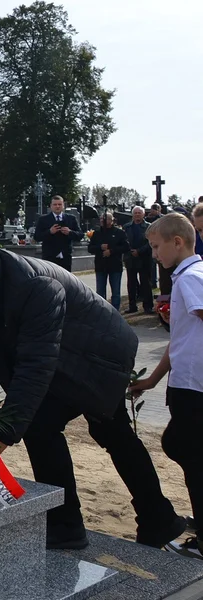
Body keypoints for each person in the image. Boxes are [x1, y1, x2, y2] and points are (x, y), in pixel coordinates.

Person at [0, 231, 184, 550]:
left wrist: (4, 431)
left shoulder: (36, 285)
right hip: (58, 355)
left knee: (111, 432)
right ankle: (65, 523)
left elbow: (35, 364)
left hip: (97, 357)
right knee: (40, 429)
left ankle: (157, 520)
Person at [130, 214, 203, 559]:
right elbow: (182, 341)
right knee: (185, 449)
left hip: (195, 387)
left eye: (157, 246)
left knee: (186, 449)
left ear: (178, 242)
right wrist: (152, 380)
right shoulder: (189, 278)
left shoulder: (190, 278)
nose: (154, 254)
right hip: (186, 384)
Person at [88, 212, 130, 309]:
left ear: (112, 221)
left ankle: (115, 311)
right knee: (100, 291)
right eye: (102, 219)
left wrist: (111, 251)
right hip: (100, 266)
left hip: (115, 266)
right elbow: (90, 249)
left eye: (106, 219)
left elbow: (126, 247)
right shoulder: (97, 233)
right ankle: (102, 310)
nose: (103, 221)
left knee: (115, 292)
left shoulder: (119, 233)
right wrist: (100, 247)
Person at [34, 195, 83, 271]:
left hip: (65, 258)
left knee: (66, 281)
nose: (57, 206)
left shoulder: (71, 218)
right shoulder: (43, 219)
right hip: (49, 258)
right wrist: (49, 232)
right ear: (51, 206)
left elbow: (80, 235)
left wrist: (70, 232)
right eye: (55, 204)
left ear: (63, 205)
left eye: (59, 204)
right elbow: (36, 237)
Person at [124, 206, 155, 314]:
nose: (137, 215)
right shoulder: (127, 227)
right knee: (131, 284)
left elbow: (150, 242)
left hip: (144, 259)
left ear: (143, 215)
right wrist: (130, 251)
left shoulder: (149, 227)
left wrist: (139, 251)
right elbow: (124, 241)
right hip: (130, 259)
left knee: (146, 283)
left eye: (139, 213)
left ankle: (148, 306)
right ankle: (132, 306)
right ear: (133, 214)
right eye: (135, 213)